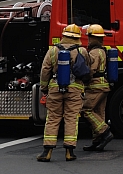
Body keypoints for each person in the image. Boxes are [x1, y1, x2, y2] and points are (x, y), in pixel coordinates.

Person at [37, 24, 90, 162]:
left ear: (63, 35)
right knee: (71, 118)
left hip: (55, 88)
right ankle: (69, 152)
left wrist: (44, 88)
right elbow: (87, 68)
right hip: (75, 89)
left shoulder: (53, 50)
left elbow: (45, 70)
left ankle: (47, 152)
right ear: (78, 37)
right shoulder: (82, 51)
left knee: (53, 118)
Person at [81, 24, 114, 152]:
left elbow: (91, 70)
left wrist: (83, 77)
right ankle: (97, 141)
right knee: (98, 113)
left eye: (89, 36)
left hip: (95, 86)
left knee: (86, 110)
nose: (88, 39)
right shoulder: (103, 51)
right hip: (103, 85)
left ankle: (104, 132)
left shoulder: (94, 52)